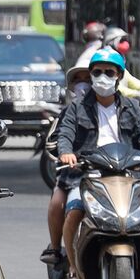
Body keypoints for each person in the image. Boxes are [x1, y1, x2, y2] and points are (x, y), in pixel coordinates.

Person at [55, 48, 140, 279]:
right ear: (91, 75)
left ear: (119, 76)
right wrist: (66, 152)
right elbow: (65, 134)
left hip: (128, 175)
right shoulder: (77, 107)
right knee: (73, 212)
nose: (103, 77)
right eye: (97, 72)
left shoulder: (132, 107)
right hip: (89, 174)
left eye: (109, 72)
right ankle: (74, 270)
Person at [40, 51, 93, 267]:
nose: (84, 84)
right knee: (58, 203)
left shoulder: (118, 108)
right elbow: (56, 140)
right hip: (74, 174)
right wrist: (66, 153)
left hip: (108, 173)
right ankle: (56, 248)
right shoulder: (70, 111)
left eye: (88, 78)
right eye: (78, 80)